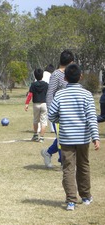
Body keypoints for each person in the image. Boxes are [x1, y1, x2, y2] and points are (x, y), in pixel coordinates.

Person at [48, 64, 100, 211]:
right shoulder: (87, 95)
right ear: (80, 76)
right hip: (83, 138)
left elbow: (51, 115)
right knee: (83, 166)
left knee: (68, 169)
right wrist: (95, 137)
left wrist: (62, 119)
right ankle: (86, 196)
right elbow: (91, 118)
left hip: (66, 139)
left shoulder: (60, 95)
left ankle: (71, 200)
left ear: (65, 79)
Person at [41, 50, 74, 168]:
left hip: (69, 112)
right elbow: (50, 94)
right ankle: (63, 161)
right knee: (62, 138)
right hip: (58, 112)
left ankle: (48, 152)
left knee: (65, 137)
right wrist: (51, 111)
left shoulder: (70, 74)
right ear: (70, 62)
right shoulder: (56, 74)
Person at [24, 69, 48, 143]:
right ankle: (42, 138)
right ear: (42, 76)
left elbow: (30, 94)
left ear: (35, 76)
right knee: (43, 121)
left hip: (36, 104)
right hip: (44, 104)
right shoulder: (46, 84)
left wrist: (27, 103)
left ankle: (35, 135)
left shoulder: (33, 84)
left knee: (35, 120)